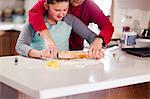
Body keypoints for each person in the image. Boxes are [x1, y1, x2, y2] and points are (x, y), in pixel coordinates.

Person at [16, 0, 101, 59]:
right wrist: (39, 54)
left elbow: (91, 36)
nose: (61, 14)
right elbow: (20, 46)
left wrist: (97, 47)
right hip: (37, 64)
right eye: (57, 10)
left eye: (65, 10)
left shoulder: (70, 20)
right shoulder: (35, 21)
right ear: (46, 6)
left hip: (62, 66)